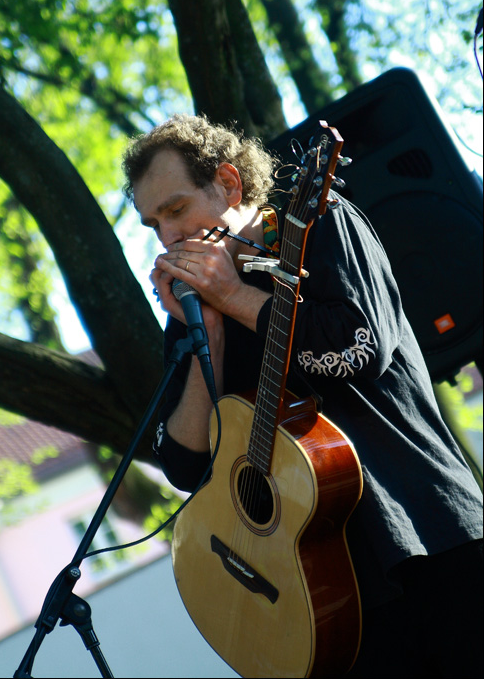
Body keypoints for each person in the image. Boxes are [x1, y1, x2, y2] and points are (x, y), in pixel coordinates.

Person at [122, 113, 483, 678]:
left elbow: (358, 348)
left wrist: (236, 296)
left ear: (229, 184)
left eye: (176, 209)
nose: (167, 236)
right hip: (320, 595)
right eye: (153, 224)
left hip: (428, 538)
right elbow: (185, 463)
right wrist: (208, 335)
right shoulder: (192, 309)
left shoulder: (319, 224)